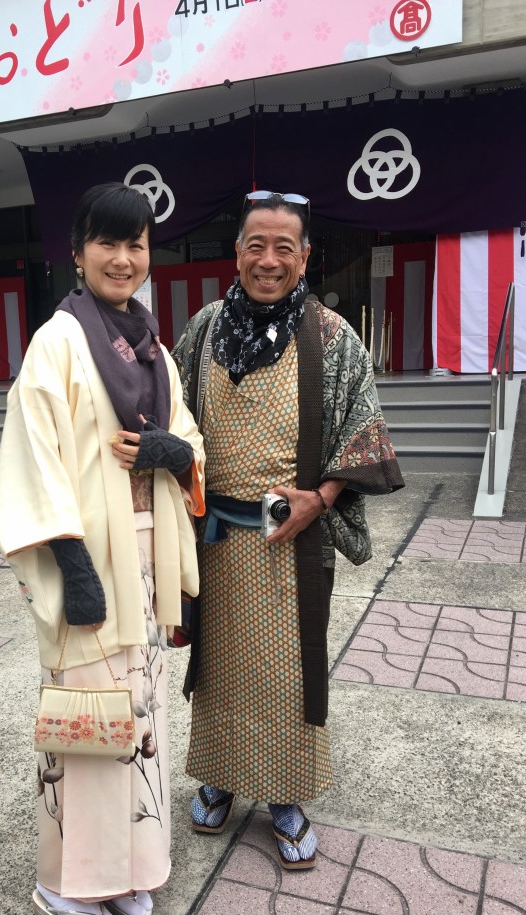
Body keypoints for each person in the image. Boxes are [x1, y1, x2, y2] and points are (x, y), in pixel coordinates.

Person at [0, 182, 204, 915]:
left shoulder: (153, 347)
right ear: (78, 253)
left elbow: (188, 442)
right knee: (85, 725)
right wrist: (71, 566)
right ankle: (63, 886)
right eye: (106, 243)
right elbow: (33, 461)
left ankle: (125, 870)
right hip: (84, 561)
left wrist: (171, 451)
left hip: (142, 562)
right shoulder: (56, 343)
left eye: (135, 244)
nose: (122, 258)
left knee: (137, 719)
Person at [172, 190, 403, 869]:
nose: (268, 260)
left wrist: (321, 499)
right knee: (217, 666)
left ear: (304, 257)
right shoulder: (205, 329)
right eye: (256, 245)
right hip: (215, 537)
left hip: (290, 541)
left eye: (283, 248)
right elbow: (173, 413)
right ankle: (220, 774)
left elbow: (364, 430)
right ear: (236, 253)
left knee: (288, 671)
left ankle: (285, 795)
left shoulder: (332, 336)